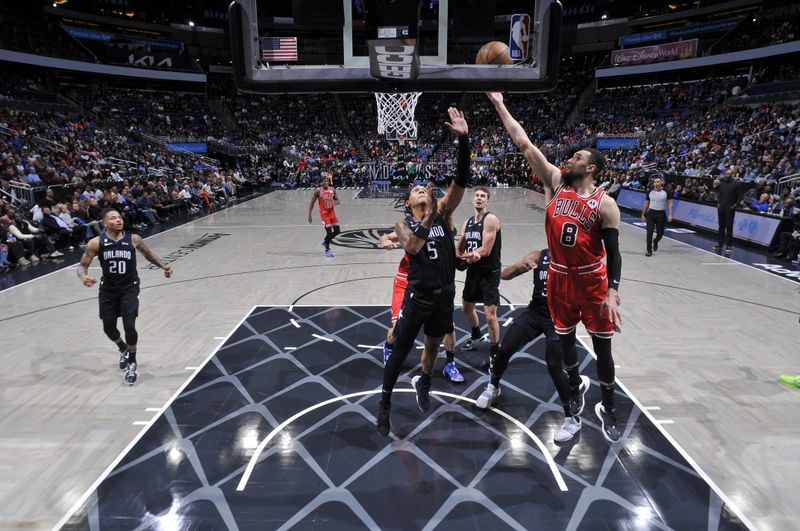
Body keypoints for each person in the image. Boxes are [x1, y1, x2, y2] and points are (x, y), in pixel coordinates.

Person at [488, 91, 624, 443]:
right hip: (560, 279)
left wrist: (613, 290)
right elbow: (523, 143)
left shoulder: (605, 205)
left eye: (577, 156)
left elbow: (615, 252)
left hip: (592, 281)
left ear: (590, 167)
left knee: (602, 346)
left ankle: (608, 407)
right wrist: (500, 103)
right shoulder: (554, 182)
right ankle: (576, 386)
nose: (571, 158)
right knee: (564, 345)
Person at [376, 107, 470, 436]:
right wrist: (430, 215)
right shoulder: (403, 225)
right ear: (408, 202)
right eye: (415, 190)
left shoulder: (444, 214)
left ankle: (425, 382)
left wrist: (464, 141)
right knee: (401, 348)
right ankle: (385, 402)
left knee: (432, 347)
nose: (421, 189)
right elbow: (414, 247)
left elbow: (461, 181)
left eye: (423, 188)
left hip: (445, 295)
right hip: (418, 297)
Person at [476, 248, 589, 443]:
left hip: (558, 316)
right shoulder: (539, 256)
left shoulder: (574, 259)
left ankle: (572, 419)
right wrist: (521, 266)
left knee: (554, 366)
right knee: (504, 350)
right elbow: (505, 275)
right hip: (535, 312)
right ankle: (493, 387)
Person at [77, 209, 172, 385]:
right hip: (108, 290)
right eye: (113, 218)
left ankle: (132, 361)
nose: (118, 220)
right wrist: (84, 277)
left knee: (129, 324)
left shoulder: (134, 239)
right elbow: (82, 266)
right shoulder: (95, 243)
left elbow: (148, 254)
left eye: (119, 217)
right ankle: (123, 348)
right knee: (108, 328)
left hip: (129, 288)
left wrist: (163, 266)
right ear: (105, 223)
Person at [379, 231, 462, 382]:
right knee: (398, 327)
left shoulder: (441, 228)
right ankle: (389, 347)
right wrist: (385, 241)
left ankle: (450, 364)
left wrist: (469, 257)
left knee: (449, 326)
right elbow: (386, 236)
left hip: (432, 283)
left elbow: (454, 254)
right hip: (406, 282)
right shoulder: (410, 227)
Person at [457, 186, 502, 366]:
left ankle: (495, 352)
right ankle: (476, 335)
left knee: (490, 316)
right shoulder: (467, 223)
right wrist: (456, 256)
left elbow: (485, 249)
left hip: (489, 273)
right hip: (473, 271)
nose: (479, 198)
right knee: (466, 309)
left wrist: (469, 256)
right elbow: (459, 248)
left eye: (482, 196)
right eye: (476, 195)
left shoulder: (490, 219)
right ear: (472, 199)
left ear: (487, 201)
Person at [307, 173, 340, 257]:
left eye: (327, 181)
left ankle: (325, 241)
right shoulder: (318, 191)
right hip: (324, 214)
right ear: (321, 182)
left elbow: (338, 201)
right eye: (324, 181)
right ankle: (327, 250)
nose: (326, 182)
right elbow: (312, 203)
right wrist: (309, 215)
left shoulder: (333, 189)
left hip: (332, 213)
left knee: (337, 231)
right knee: (329, 232)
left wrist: (334, 203)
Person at [641, 176, 673, 256]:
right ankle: (649, 250)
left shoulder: (666, 192)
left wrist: (670, 214)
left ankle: (655, 241)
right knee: (649, 232)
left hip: (661, 214)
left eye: (658, 182)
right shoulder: (650, 191)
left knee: (660, 233)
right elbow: (646, 203)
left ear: (661, 182)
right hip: (651, 213)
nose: (656, 183)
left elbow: (670, 203)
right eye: (655, 182)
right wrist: (643, 214)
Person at [713, 170, 743, 254]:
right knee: (721, 226)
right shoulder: (721, 182)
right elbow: (718, 192)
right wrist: (718, 202)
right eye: (726, 174)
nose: (727, 175)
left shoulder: (736, 183)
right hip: (721, 207)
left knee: (729, 227)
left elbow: (740, 196)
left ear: (732, 174)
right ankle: (720, 244)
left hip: (730, 208)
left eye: (728, 174)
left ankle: (729, 245)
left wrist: (735, 205)